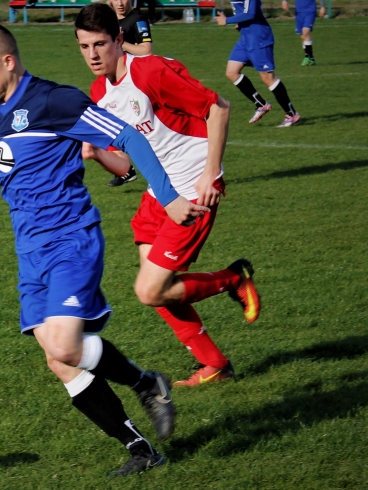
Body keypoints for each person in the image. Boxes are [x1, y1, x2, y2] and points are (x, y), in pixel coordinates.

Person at [0, 21, 208, 476]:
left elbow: (128, 137)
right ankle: (141, 449)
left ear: (8, 61)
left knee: (64, 345)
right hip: (30, 255)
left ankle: (146, 382)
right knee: (58, 361)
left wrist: (170, 198)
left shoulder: (53, 100)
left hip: (70, 240)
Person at [74, 3, 261, 388]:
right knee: (155, 288)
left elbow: (219, 109)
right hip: (160, 192)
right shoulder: (98, 92)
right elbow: (125, 164)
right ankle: (215, 365)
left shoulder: (151, 71)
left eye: (100, 44)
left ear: (119, 39)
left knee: (150, 289)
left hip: (193, 185)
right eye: (84, 46)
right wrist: (95, 154)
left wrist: (211, 175)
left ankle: (232, 279)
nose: (93, 55)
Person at [216, 0, 300, 127]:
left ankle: (291, 114)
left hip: (259, 38)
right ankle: (261, 104)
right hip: (246, 38)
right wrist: (239, 22)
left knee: (268, 78)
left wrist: (227, 20)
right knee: (232, 72)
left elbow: (250, 13)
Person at [103, 0, 154, 187]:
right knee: (109, 126)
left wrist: (122, 44)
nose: (120, 3)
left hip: (136, 84)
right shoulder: (110, 19)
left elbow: (147, 51)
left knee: (142, 131)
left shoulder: (137, 19)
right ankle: (126, 169)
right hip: (117, 84)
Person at [282, 0, 326, 65]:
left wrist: (323, 7)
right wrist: (284, 1)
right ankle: (310, 58)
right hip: (299, 12)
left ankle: (308, 57)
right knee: (303, 36)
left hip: (310, 11)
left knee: (305, 32)